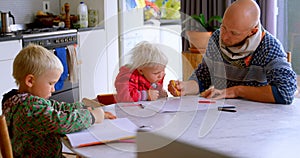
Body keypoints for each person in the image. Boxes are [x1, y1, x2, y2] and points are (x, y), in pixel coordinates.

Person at [168, 0, 297, 104]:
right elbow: (203, 77)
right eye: (223, 27)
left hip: (256, 120)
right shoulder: (216, 38)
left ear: (252, 31)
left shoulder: (269, 47)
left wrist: (236, 91)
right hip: (222, 114)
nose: (224, 37)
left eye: (234, 33)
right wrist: (185, 87)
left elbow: (285, 92)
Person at [1, 44, 116, 157]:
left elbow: (58, 107)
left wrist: (84, 107)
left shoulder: (19, 101)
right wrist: (91, 117)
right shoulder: (29, 109)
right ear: (30, 81)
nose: (53, 89)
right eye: (51, 83)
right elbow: (63, 122)